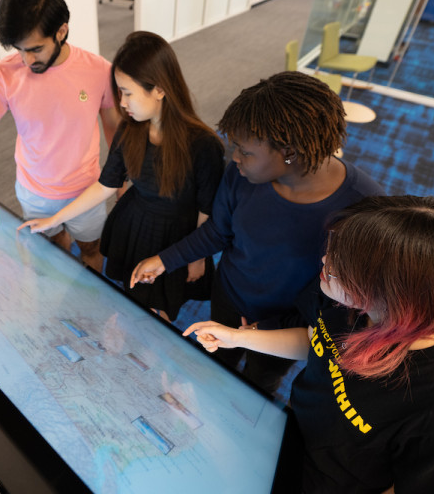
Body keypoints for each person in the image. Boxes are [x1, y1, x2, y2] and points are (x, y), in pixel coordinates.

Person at [185, 195, 434, 493]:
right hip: (289, 439)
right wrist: (240, 338)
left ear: (395, 294)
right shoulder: (344, 301)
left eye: (344, 261)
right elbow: (316, 339)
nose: (326, 258)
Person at [130, 71, 383, 393]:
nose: (234, 157)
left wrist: (270, 329)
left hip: (290, 322)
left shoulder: (364, 208)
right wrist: (166, 260)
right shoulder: (242, 176)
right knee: (215, 365)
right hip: (230, 297)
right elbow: (220, 231)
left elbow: (342, 302)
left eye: (245, 151)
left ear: (289, 152)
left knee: (258, 383)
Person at [18, 31, 225, 320]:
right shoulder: (131, 129)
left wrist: (197, 257)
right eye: (119, 92)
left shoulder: (203, 145)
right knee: (135, 297)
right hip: (135, 226)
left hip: (176, 238)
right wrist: (55, 219)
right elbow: (106, 184)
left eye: (127, 93)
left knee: (159, 307)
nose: (121, 103)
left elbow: (207, 210)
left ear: (160, 89)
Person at [0, 0, 120, 272]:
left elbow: (116, 134)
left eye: (35, 49)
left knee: (92, 251)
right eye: (19, 50)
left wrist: (121, 187)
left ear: (61, 31)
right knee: (53, 251)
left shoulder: (99, 71)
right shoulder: (2, 75)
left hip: (87, 190)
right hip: (35, 192)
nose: (26, 60)